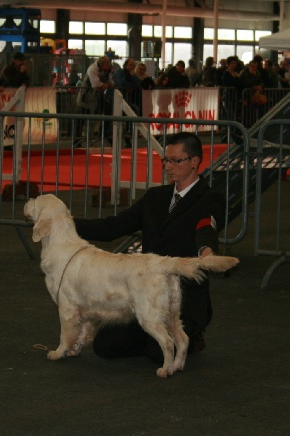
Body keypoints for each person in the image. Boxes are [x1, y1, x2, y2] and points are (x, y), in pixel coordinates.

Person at [72, 132, 228, 364]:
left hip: (183, 296)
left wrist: (206, 251)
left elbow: (207, 226)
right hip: (146, 293)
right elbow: (113, 227)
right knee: (105, 346)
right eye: (166, 160)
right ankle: (152, 339)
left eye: (176, 161)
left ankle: (190, 337)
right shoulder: (155, 197)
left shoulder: (210, 198)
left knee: (157, 353)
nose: (168, 166)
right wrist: (67, 222)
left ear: (194, 162)